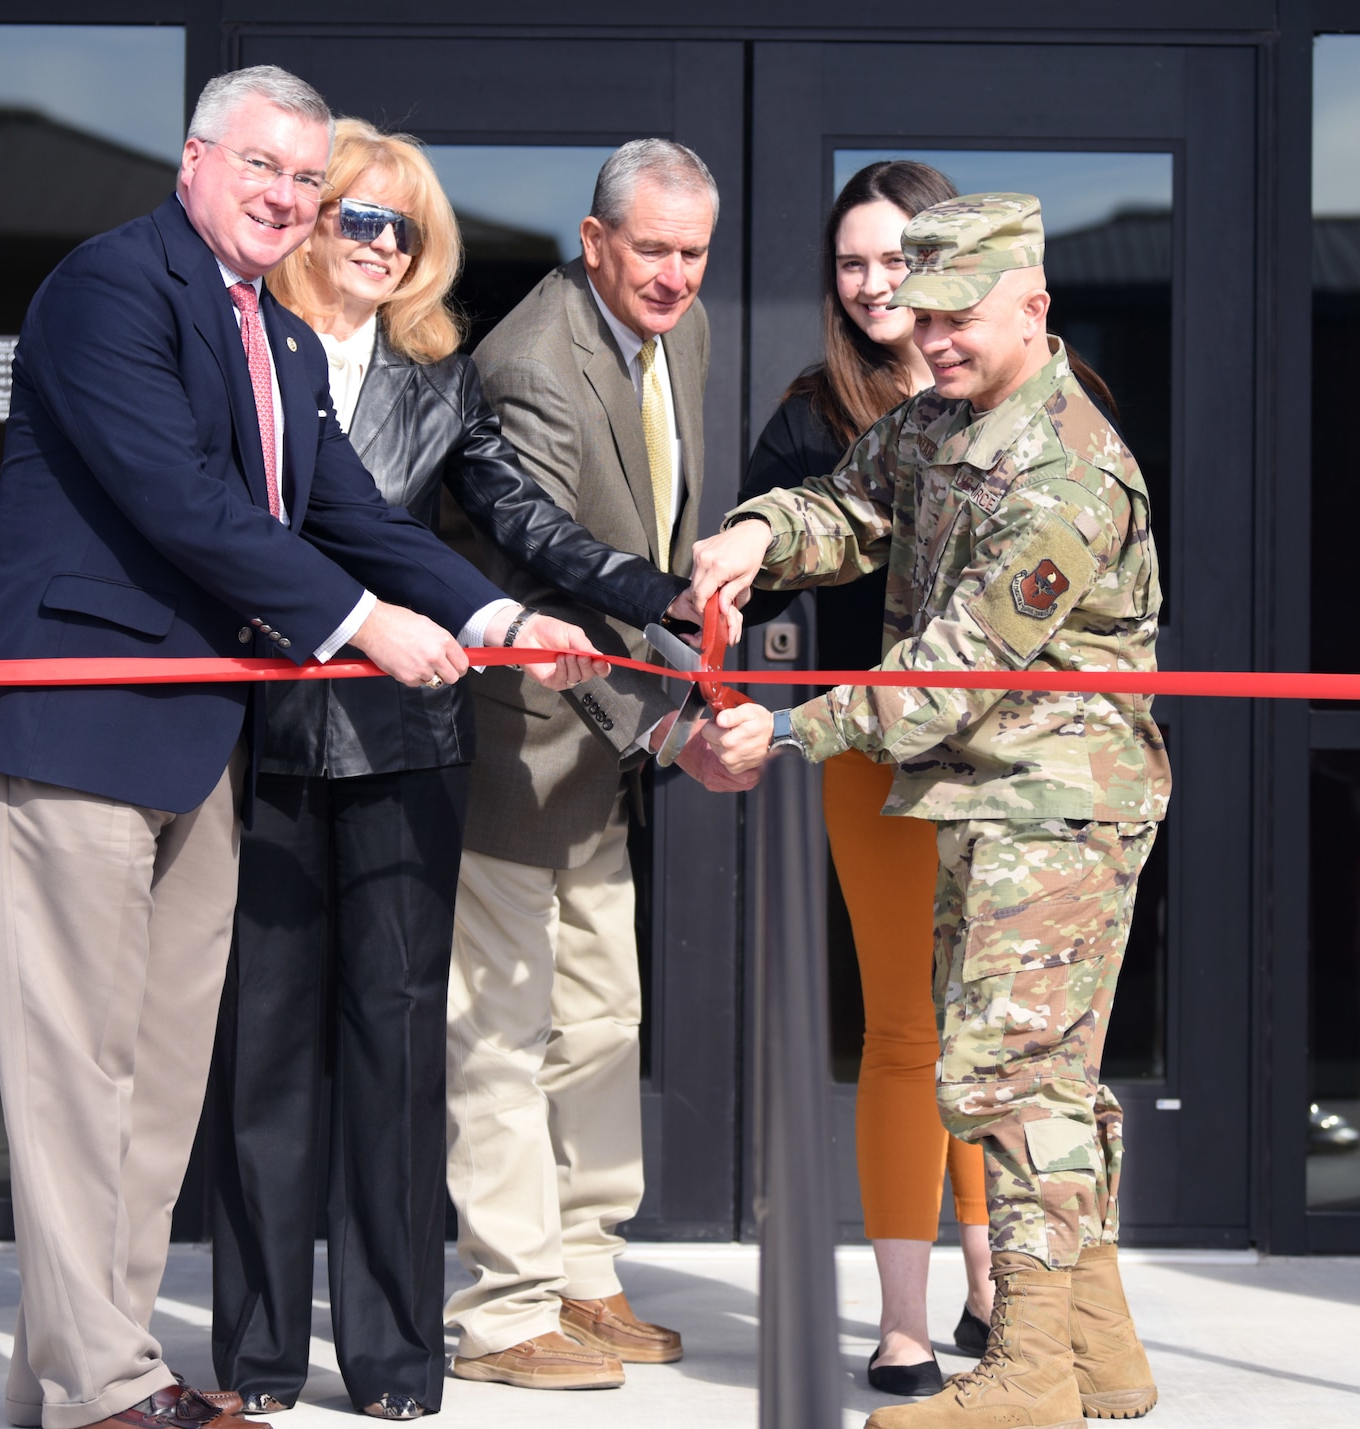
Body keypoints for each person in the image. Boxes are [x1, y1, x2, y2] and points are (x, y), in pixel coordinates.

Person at [0, 66, 600, 1429]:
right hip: (71, 731)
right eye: (266, 168)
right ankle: (108, 1388)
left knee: (157, 1089)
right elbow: (177, 498)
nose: (289, 199)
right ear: (195, 160)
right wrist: (366, 626)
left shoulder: (284, 344)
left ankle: (68, 1379)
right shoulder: (111, 289)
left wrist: (495, 612)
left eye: (309, 180)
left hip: (193, 749)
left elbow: (353, 512)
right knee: (79, 1083)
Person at [204, 119, 698, 1422]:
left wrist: (641, 594)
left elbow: (515, 518)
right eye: (356, 218)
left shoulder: (439, 377)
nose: (378, 243)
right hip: (264, 746)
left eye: (402, 227)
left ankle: (394, 1361)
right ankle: (256, 1358)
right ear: (308, 226)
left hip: (411, 743)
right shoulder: (245, 352)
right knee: (266, 1057)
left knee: (397, 1051)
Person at [687, 194, 1169, 1429]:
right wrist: (751, 533)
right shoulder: (940, 418)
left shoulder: (1064, 466)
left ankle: (1028, 1372)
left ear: (1032, 308)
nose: (935, 337)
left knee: (1015, 1082)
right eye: (925, 313)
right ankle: (1097, 1354)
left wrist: (795, 727)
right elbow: (849, 508)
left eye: (961, 317)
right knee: (1025, 1073)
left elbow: (953, 665)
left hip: (1055, 804)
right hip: (980, 797)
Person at [440, 138, 748, 1392]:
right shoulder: (529, 361)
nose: (676, 276)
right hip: (517, 740)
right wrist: (670, 651)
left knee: (603, 1018)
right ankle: (504, 1310)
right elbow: (549, 546)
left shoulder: (683, 334)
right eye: (654, 251)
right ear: (595, 240)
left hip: (604, 742)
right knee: (503, 1033)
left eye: (693, 253)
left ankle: (584, 1274)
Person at [734, 159, 996, 1398]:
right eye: (850, 261)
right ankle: (902, 1322)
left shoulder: (1017, 401)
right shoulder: (807, 416)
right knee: (905, 1028)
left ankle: (994, 1282)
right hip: (875, 756)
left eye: (895, 255)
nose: (874, 281)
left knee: (990, 1034)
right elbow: (770, 571)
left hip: (1004, 761)